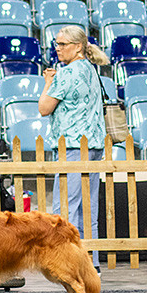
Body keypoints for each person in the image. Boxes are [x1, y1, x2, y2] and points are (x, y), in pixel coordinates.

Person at [38, 25, 108, 272]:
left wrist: (48, 82)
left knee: (65, 207)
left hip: (73, 145)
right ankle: (92, 262)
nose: (57, 48)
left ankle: (69, 262)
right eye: (56, 44)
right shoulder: (91, 70)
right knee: (88, 208)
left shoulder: (67, 74)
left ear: (78, 46)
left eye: (63, 44)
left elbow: (44, 108)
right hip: (94, 144)